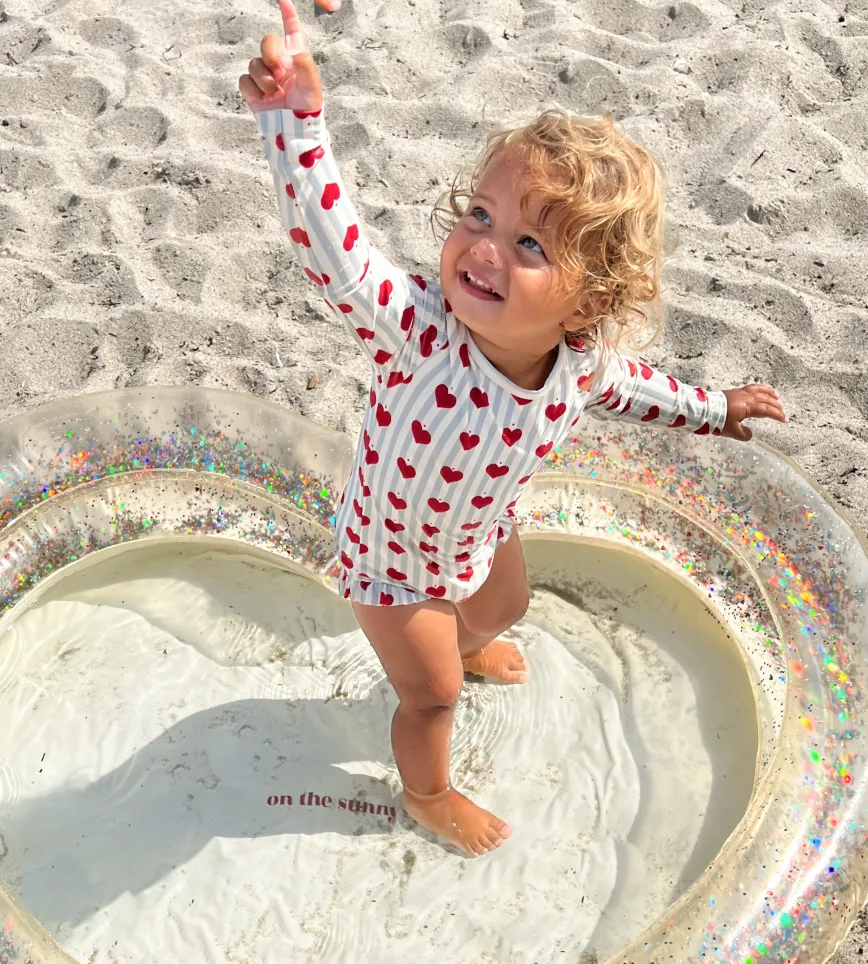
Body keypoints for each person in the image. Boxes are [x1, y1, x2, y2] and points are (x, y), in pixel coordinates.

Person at [239, 0, 787, 856]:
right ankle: (428, 792)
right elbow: (333, 250)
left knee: (507, 604)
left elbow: (639, 389)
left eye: (530, 245)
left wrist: (715, 410)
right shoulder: (418, 331)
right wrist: (296, 124)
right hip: (390, 559)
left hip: (479, 530)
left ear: (588, 305)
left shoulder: (579, 365)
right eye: (481, 216)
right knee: (433, 696)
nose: (486, 247)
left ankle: (464, 645)